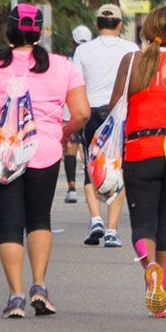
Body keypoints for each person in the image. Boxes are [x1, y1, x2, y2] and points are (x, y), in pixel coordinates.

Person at [0, 4, 90, 318]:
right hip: (44, 149)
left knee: (9, 222)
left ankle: (16, 297)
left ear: (8, 30)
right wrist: (60, 133)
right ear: (39, 31)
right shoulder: (63, 65)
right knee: (39, 219)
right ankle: (39, 286)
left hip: (0, 152)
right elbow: (81, 114)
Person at [111, 6, 166, 318]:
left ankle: (149, 270)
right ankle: (163, 291)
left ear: (146, 29)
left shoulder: (131, 61)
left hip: (139, 150)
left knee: (143, 223)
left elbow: (115, 106)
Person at [72, 4, 139, 248]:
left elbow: (76, 86)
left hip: (91, 115)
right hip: (120, 115)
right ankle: (112, 230)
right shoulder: (131, 49)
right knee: (118, 169)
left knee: (92, 168)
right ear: (120, 25)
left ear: (97, 23)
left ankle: (95, 219)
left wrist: (71, 120)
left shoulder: (83, 51)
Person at [62, 26, 95, 203]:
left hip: (71, 108)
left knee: (70, 149)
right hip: (90, 107)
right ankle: (91, 183)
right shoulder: (92, 56)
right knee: (90, 149)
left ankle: (72, 187)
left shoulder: (67, 61)